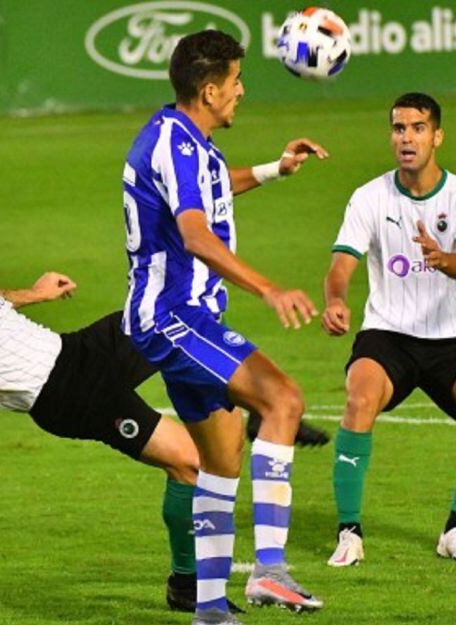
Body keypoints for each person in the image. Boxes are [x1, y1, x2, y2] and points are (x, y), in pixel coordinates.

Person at [0, 203, 329, 612]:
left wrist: (35, 293)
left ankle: (252, 405)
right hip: (68, 397)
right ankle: (188, 582)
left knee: (166, 316)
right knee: (190, 461)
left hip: (78, 351)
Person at [119, 30, 328, 624]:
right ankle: (269, 570)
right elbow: (194, 232)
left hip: (182, 317)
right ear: (209, 90)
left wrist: (275, 170)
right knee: (283, 398)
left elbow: (211, 190)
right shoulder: (175, 144)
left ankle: (209, 609)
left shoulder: (186, 141)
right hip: (173, 317)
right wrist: (268, 288)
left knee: (220, 462)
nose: (241, 91)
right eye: (235, 82)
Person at [320, 92, 456, 567]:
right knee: (358, 397)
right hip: (388, 333)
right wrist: (336, 299)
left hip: (451, 333)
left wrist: (443, 259)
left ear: (437, 136)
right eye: (399, 128)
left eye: (418, 128)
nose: (407, 137)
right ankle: (349, 533)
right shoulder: (369, 197)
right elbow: (341, 264)